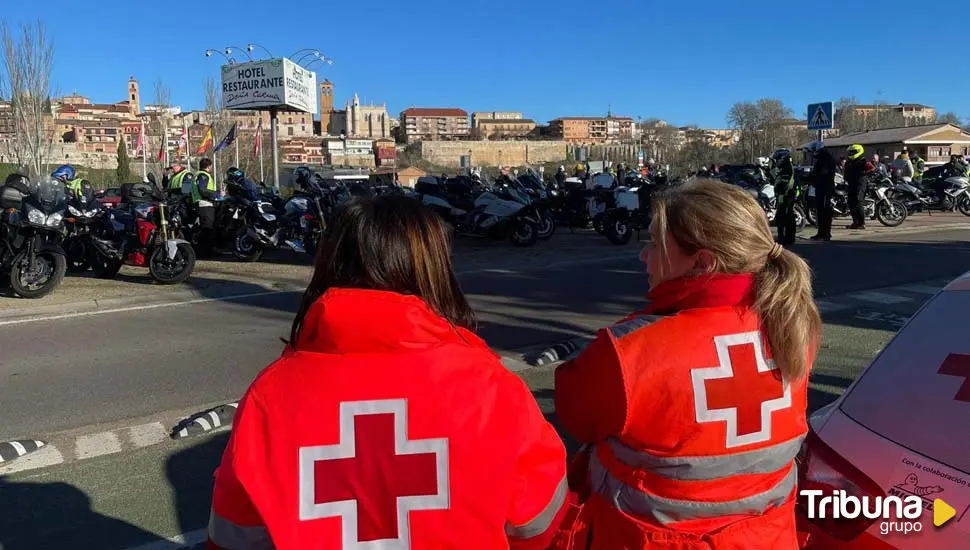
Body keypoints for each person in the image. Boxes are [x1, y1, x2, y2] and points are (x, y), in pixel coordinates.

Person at [207, 195, 570, 550]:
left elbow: (232, 535)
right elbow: (537, 524)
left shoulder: (271, 395)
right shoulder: (490, 387)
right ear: (435, 270)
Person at [553, 179, 820, 549]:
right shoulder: (794, 325)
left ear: (702, 261)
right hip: (767, 537)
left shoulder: (628, 351)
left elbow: (575, 415)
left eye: (654, 243)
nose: (644, 255)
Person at [807, 141, 836, 241]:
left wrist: (813, 178)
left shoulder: (826, 159)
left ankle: (826, 233)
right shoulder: (822, 159)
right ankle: (821, 232)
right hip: (821, 187)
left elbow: (823, 174)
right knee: (820, 211)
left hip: (825, 188)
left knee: (825, 210)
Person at [844, 144, 875, 229]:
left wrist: (865, 173)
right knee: (851, 203)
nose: (850, 154)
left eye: (852, 152)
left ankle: (862, 223)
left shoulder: (863, 161)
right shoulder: (849, 162)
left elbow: (872, 168)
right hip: (851, 183)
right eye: (850, 152)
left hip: (860, 183)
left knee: (858, 201)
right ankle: (855, 222)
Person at [771, 148, 797, 245]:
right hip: (783, 194)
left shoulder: (787, 168)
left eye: (778, 159)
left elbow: (786, 182)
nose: (777, 161)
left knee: (787, 215)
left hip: (787, 194)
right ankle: (782, 236)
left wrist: (782, 191)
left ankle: (789, 237)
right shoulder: (783, 167)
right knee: (781, 215)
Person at [192, 158, 217, 256]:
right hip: (205, 204)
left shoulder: (196, 175)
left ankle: (203, 250)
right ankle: (206, 252)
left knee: (202, 229)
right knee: (207, 229)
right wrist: (217, 194)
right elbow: (203, 190)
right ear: (209, 166)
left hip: (198, 203)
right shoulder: (203, 175)